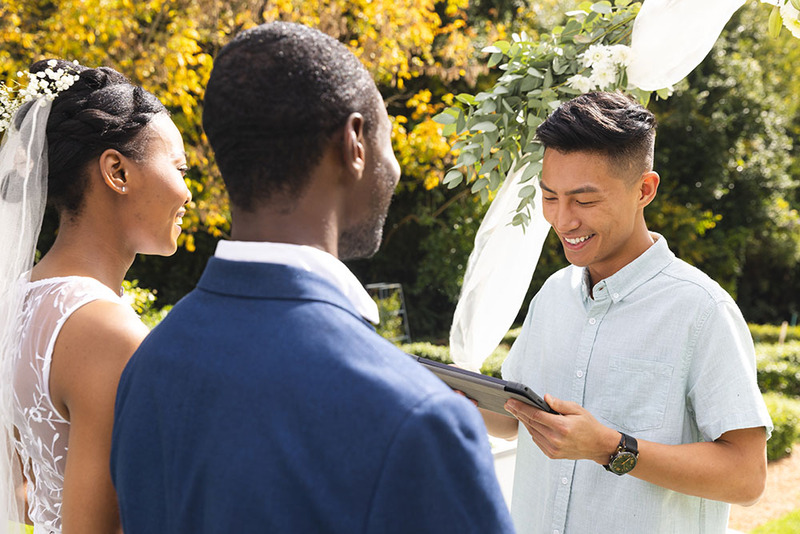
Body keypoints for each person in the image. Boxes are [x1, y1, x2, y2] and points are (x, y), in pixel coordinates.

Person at [110, 21, 514, 534]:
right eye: (388, 143)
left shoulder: (148, 367)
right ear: (356, 144)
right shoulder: (417, 418)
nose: (393, 170)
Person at [483, 92, 772, 533]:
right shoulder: (554, 295)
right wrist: (439, 387)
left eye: (584, 200)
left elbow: (747, 477)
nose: (563, 220)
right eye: (550, 196)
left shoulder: (702, 310)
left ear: (644, 189)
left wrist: (610, 448)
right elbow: (511, 420)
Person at [0, 59, 191, 534]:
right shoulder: (104, 330)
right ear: (117, 172)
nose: (187, 192)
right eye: (178, 166)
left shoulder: (19, 302)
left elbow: (26, 492)